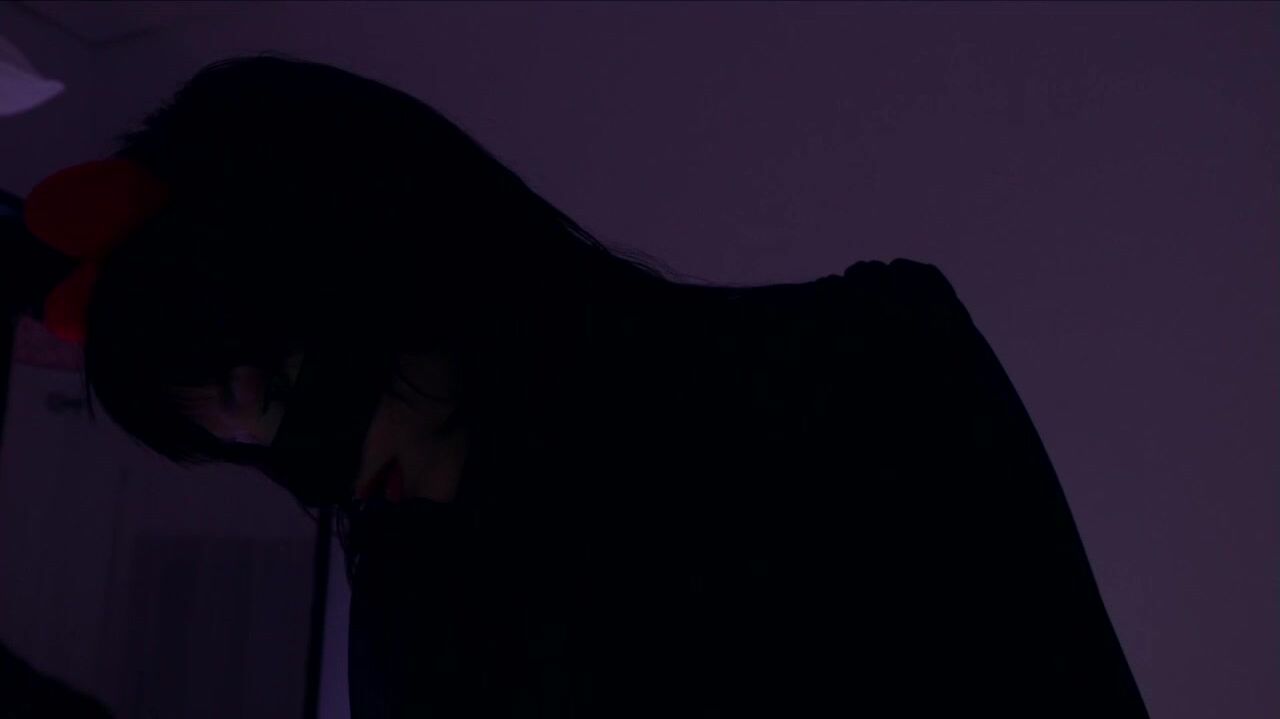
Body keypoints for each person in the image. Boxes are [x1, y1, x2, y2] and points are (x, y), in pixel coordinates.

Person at [23, 54, 1150, 717]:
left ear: (365, 249)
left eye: (270, 390)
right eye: (247, 448)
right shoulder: (418, 617)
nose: (314, 476)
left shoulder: (864, 366)